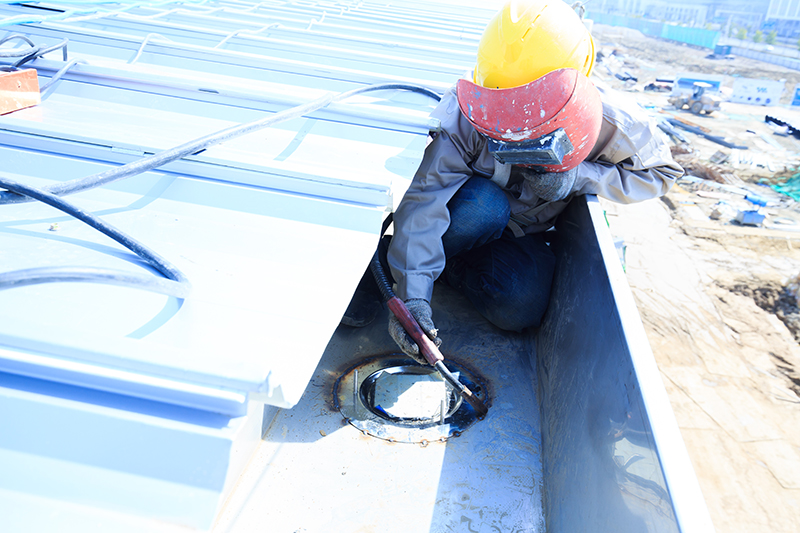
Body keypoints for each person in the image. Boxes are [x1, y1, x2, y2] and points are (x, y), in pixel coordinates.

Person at [342, 0, 684, 363]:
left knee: (520, 307)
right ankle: (396, 267)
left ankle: (443, 266)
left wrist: (576, 177)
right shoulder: (467, 113)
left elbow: (663, 174)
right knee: (483, 206)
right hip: (467, 219)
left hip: (520, 235)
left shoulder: (615, 124)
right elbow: (425, 202)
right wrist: (413, 297)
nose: (514, 123)